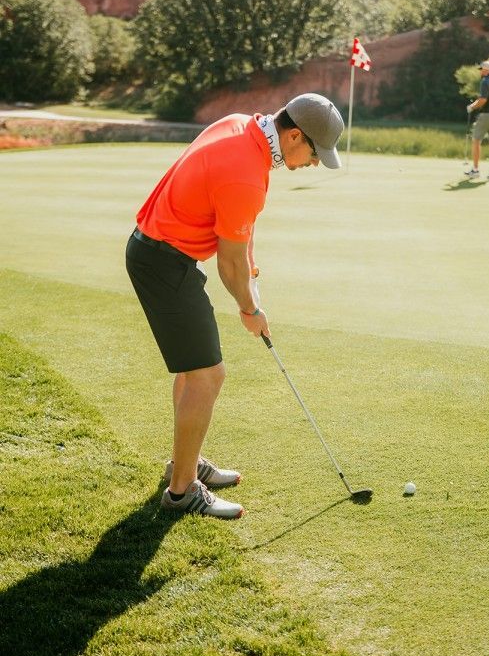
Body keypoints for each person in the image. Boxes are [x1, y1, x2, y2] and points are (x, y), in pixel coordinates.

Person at [125, 93, 344, 520]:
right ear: (295, 135)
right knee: (209, 375)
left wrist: (250, 262)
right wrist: (250, 309)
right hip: (163, 263)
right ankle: (182, 491)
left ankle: (184, 465)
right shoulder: (247, 173)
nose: (315, 163)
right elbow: (227, 264)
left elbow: (238, 231)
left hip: (158, 254)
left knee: (195, 370)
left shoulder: (244, 126)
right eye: (315, 153)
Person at [465, 60, 489, 180]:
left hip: (487, 115)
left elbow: (483, 99)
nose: (480, 72)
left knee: (476, 141)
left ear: (487, 70)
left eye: (482, 69)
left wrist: (472, 106)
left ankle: (475, 170)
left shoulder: (485, 81)